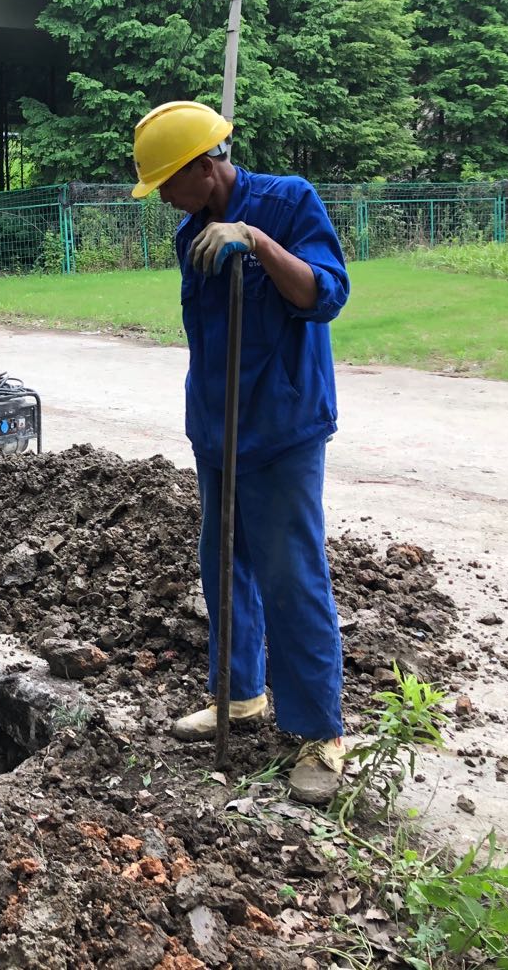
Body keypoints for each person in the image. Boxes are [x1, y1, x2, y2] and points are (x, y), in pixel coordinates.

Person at [130, 101, 350, 805]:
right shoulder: (191, 232)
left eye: (167, 182)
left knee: (292, 576)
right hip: (218, 426)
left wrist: (255, 241)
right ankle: (239, 694)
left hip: (281, 424)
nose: (163, 198)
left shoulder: (289, 202)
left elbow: (326, 295)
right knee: (223, 566)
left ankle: (318, 733)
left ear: (205, 167)